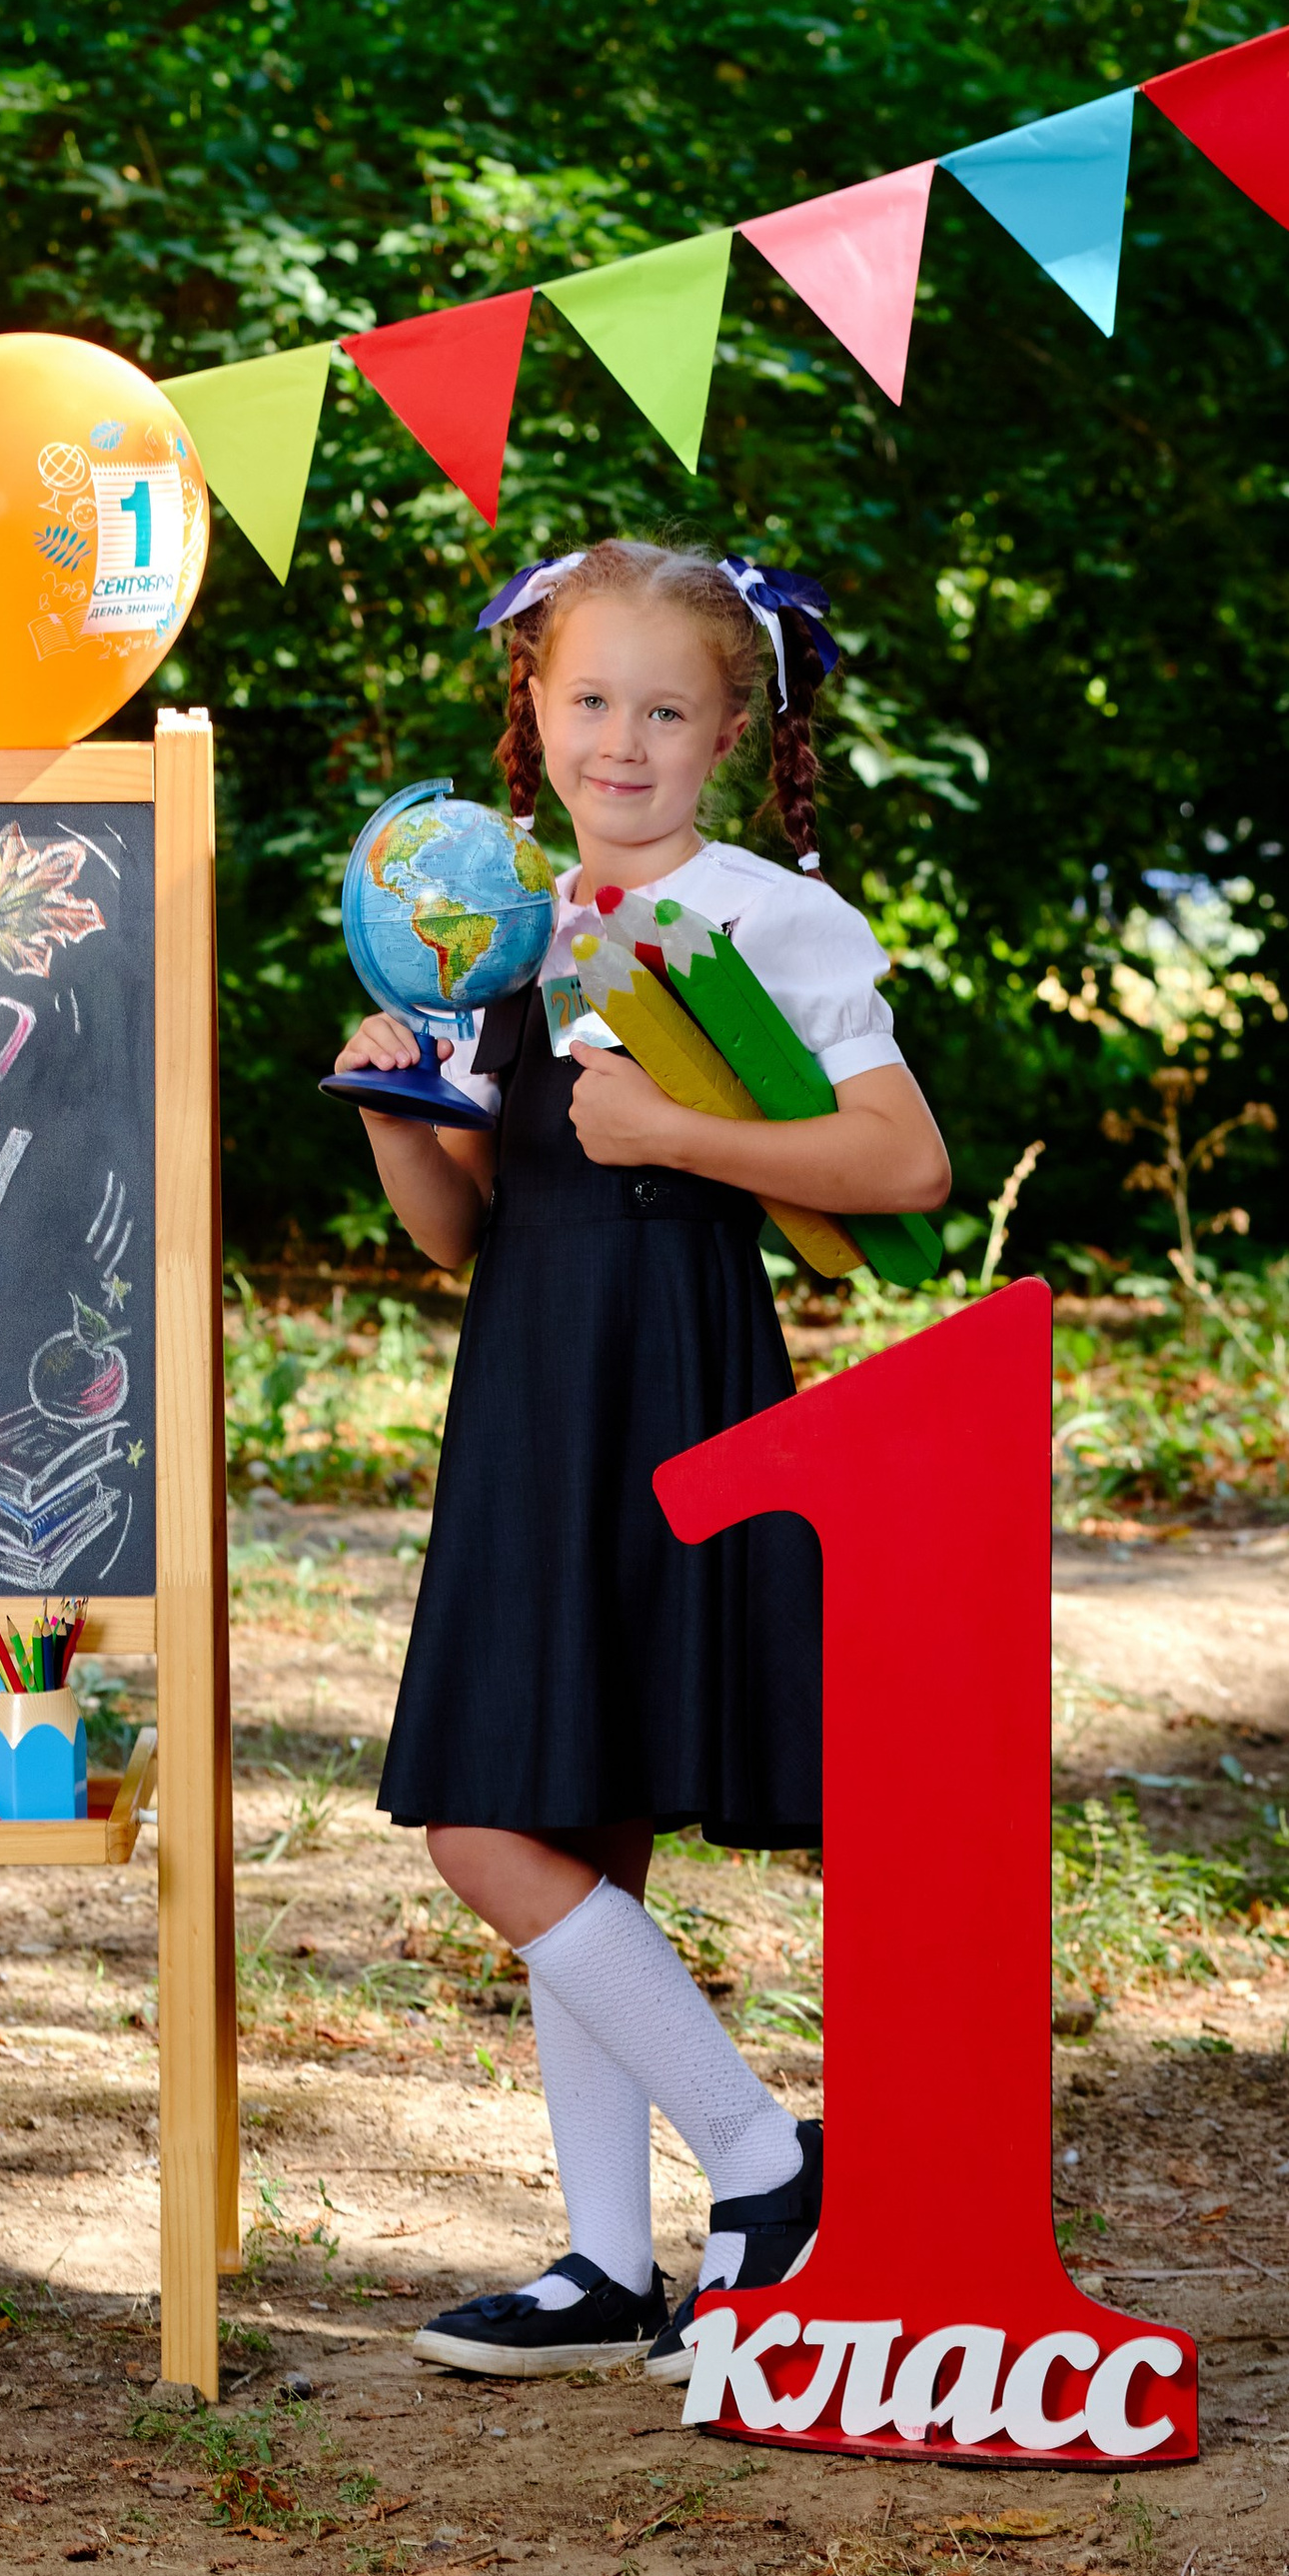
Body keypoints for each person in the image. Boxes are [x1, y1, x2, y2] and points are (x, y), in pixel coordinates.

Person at [335, 539, 950, 2380]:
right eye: (589, 699)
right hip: (529, 1379)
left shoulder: (768, 918)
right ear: (532, 707)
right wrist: (392, 1104)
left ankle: (766, 2160)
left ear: (732, 732)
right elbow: (459, 1230)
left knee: (481, 1826)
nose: (624, 739)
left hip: (677, 1374)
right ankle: (610, 2266)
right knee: (558, 1808)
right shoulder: (490, 912)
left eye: (666, 709)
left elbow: (904, 1168)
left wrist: (677, 1121)